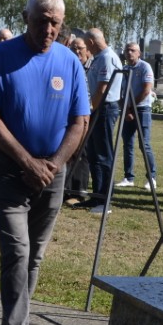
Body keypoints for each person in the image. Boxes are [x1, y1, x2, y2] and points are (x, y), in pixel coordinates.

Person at [0, 0, 89, 325]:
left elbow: (80, 121)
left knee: (34, 254)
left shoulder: (69, 61)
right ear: (26, 18)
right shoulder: (0, 56)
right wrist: (26, 161)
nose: (48, 29)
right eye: (42, 21)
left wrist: (52, 165)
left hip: (52, 172)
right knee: (17, 250)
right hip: (8, 168)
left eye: (55, 23)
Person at [82, 28, 122, 214]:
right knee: (94, 154)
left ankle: (105, 200)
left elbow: (102, 88)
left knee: (104, 155)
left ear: (91, 42)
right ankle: (96, 196)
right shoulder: (99, 57)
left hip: (103, 109)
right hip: (98, 108)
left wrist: (91, 109)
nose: (86, 47)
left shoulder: (107, 57)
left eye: (86, 44)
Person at [115, 41, 158, 190]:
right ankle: (128, 177)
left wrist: (131, 108)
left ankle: (151, 178)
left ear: (139, 53)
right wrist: (125, 109)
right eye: (127, 50)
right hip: (128, 110)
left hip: (142, 109)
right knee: (127, 144)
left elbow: (146, 90)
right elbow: (118, 91)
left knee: (144, 144)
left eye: (133, 50)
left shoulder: (144, 67)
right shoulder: (124, 69)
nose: (129, 53)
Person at [64, 30, 92, 205]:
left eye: (80, 48)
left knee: (81, 153)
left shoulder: (91, 67)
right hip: (70, 114)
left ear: (87, 50)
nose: (76, 51)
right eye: (73, 48)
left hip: (86, 115)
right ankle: (67, 190)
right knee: (69, 152)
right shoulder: (72, 66)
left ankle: (78, 191)